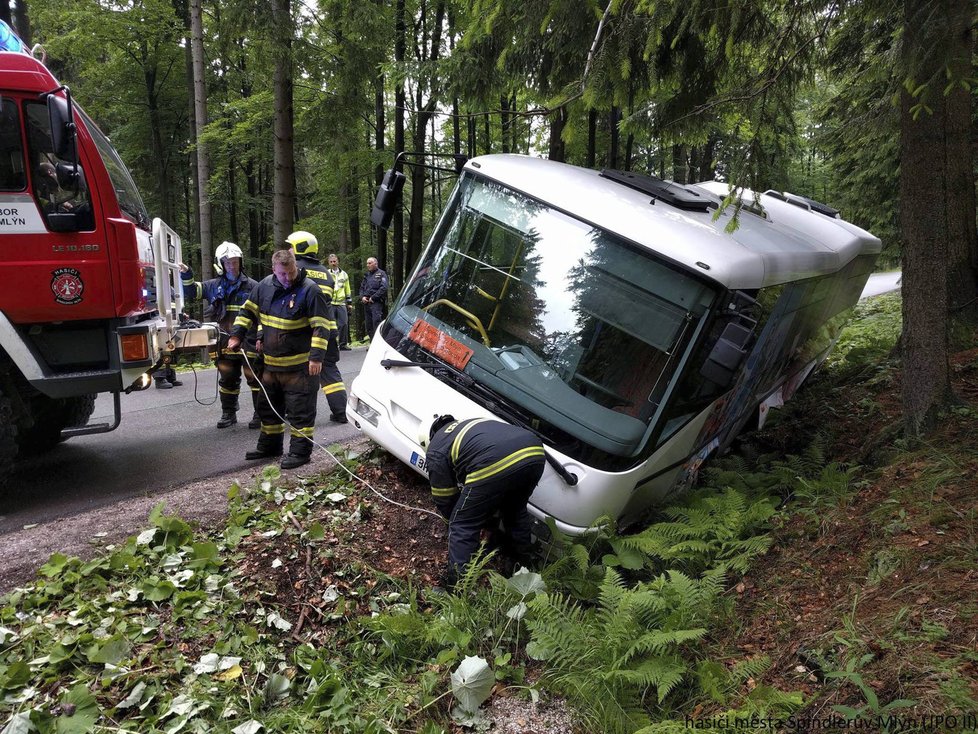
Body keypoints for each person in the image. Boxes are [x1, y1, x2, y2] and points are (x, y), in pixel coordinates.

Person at [228, 248, 331, 470]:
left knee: (300, 412)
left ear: (296, 267)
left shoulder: (310, 290)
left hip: (299, 368)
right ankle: (270, 446)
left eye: (291, 272)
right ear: (273, 270)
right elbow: (248, 312)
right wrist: (237, 335)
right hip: (271, 365)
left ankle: (300, 452)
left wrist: (316, 359)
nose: (288, 278)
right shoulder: (264, 286)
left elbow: (321, 328)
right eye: (283, 274)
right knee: (268, 407)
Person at [418, 414, 546, 588]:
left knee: (462, 523)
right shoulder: (466, 424)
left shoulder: (436, 449)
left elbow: (445, 499)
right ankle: (522, 566)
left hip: (496, 460)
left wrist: (454, 522)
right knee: (514, 509)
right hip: (534, 452)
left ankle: (457, 588)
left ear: (427, 440)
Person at [180, 241, 261, 429]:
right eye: (228, 263)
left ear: (241, 262)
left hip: (247, 340)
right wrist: (186, 274)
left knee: (255, 378)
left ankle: (260, 413)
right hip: (223, 340)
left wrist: (259, 338)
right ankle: (229, 413)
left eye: (235, 262)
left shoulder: (253, 286)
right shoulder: (213, 286)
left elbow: (261, 316)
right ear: (221, 264)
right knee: (227, 378)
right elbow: (191, 291)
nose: (232, 266)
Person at [286, 231, 348, 424]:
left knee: (296, 371)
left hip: (304, 332)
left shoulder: (293, 270)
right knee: (329, 369)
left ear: (299, 248)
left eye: (291, 246)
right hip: (328, 329)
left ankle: (294, 414)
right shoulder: (326, 273)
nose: (288, 250)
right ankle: (341, 412)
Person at [327, 253, 353, 350]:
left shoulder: (344, 274)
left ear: (338, 262)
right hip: (331, 302)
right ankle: (332, 345)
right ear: (328, 263)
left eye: (335, 261)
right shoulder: (327, 273)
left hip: (341, 303)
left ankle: (343, 344)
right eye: (331, 262)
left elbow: (347, 289)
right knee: (331, 325)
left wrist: (349, 303)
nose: (333, 263)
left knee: (343, 324)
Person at [359, 257, 388, 341]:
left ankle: (379, 342)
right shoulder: (366, 275)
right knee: (369, 325)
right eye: (367, 263)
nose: (368, 265)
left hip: (376, 302)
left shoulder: (381, 274)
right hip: (366, 303)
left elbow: (384, 288)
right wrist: (362, 297)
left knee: (376, 322)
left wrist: (374, 297)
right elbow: (361, 288)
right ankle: (372, 343)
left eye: (370, 263)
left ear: (376, 263)